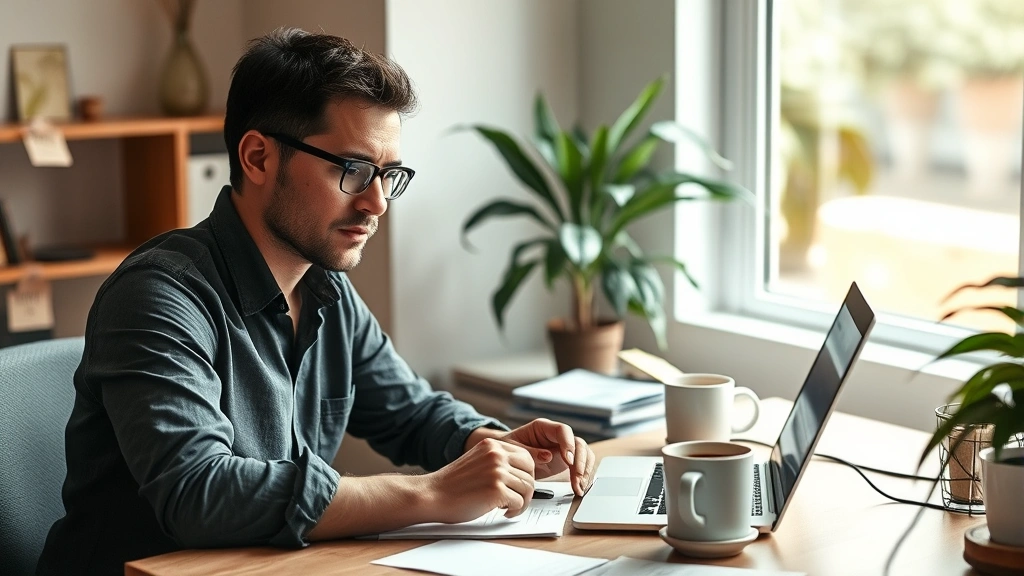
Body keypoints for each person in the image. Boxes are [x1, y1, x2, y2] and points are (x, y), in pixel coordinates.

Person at [37, 28, 595, 575]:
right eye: (352, 170)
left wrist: (492, 445)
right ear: (258, 158)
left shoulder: (327, 290)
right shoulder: (158, 296)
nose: (377, 203)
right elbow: (198, 491)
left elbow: (410, 413)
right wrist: (429, 493)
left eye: (389, 175)